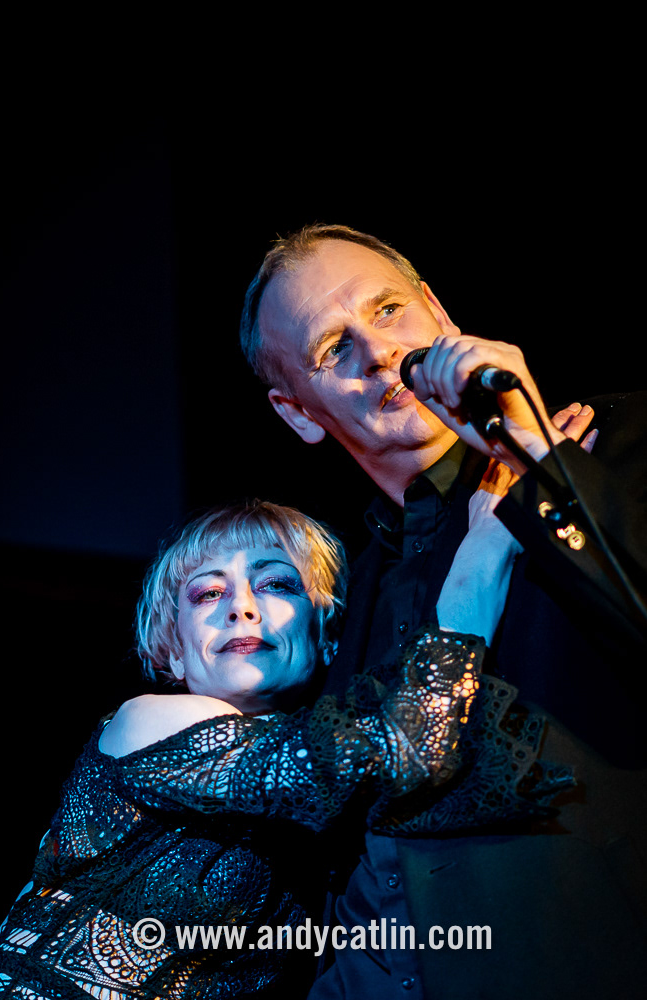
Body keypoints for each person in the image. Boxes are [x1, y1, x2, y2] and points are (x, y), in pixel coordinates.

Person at [239, 224, 647, 999]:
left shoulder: (613, 442)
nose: (377, 352)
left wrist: (540, 464)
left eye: (389, 309)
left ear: (439, 313)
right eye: (334, 347)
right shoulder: (334, 605)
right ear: (297, 413)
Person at [0, 498, 512, 1000]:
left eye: (276, 584)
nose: (241, 607)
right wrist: (484, 555)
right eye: (209, 593)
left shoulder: (309, 795)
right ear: (174, 650)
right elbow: (404, 744)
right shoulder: (150, 722)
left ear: (327, 634)